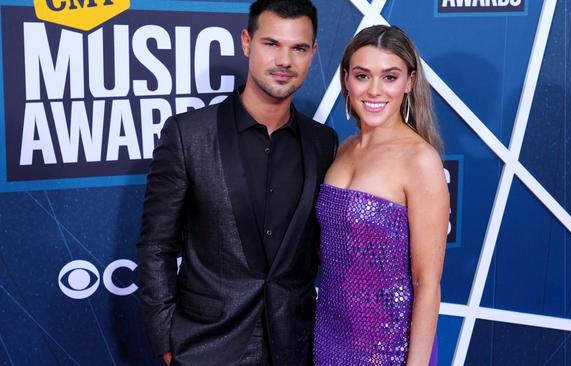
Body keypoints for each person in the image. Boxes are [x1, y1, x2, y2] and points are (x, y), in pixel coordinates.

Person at [137, 1, 338, 365]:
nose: (284, 61)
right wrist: (167, 340)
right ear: (247, 42)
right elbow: (156, 246)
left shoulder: (323, 143)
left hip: (295, 348)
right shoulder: (189, 135)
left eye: (299, 48)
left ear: (313, 54)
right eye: (271, 44)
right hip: (205, 346)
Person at [313, 25, 449, 365]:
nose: (374, 90)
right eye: (362, 75)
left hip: (386, 350)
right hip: (328, 338)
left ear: (409, 82)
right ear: (346, 79)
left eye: (389, 77)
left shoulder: (420, 160)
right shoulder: (343, 148)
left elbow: (427, 284)